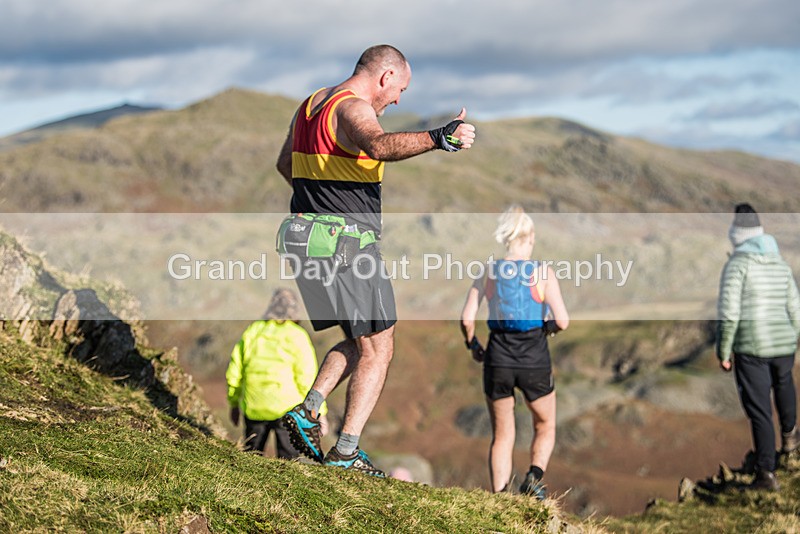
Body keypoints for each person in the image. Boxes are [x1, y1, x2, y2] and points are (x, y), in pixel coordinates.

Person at [275, 44, 476, 476]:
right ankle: (346, 451)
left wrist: (318, 197)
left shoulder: (310, 106)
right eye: (400, 89)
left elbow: (283, 163)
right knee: (380, 348)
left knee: (359, 339)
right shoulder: (351, 109)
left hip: (307, 240)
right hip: (348, 245)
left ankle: (308, 411)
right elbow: (380, 145)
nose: (399, 99)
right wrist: (439, 138)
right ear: (385, 76)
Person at [460, 206, 569, 498]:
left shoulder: (488, 271)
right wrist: (548, 330)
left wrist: (473, 346)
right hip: (535, 359)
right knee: (545, 424)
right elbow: (562, 320)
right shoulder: (543, 272)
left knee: (503, 435)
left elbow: (467, 319)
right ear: (529, 236)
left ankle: (499, 498)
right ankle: (533, 477)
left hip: (497, 359)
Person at [716, 203, 800, 491]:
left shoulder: (737, 265)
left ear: (736, 234)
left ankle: (766, 473)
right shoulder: (780, 262)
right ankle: (791, 441)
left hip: (752, 349)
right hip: (784, 344)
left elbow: (729, 314)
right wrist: (796, 338)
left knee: (760, 408)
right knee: (785, 385)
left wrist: (724, 351)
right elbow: (794, 305)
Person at [226, 288, 327, 458]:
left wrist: (234, 403)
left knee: (250, 458)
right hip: (287, 408)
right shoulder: (298, 336)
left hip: (254, 405)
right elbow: (306, 378)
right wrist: (319, 412)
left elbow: (235, 371)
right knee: (288, 464)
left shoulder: (253, 331)